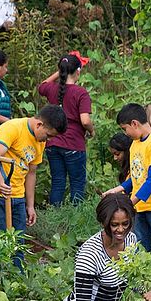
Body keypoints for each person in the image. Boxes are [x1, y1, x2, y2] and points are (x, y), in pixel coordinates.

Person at [0, 106, 68, 267]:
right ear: (39, 125)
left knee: (18, 240)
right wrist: (0, 182)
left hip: (17, 194)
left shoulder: (40, 142)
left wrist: (30, 205)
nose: (47, 140)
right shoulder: (12, 128)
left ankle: (17, 277)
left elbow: (31, 172)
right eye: (48, 135)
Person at [102, 103, 151, 258]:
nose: (125, 133)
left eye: (124, 128)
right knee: (140, 246)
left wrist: (130, 202)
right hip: (140, 206)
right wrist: (118, 189)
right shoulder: (135, 143)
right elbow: (135, 177)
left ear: (134, 123)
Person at [60, 194, 138, 301]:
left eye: (125, 223)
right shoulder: (90, 254)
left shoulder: (131, 240)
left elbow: (134, 279)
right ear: (103, 223)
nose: (121, 230)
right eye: (114, 225)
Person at [38, 54, 95, 206]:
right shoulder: (80, 93)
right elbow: (85, 120)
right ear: (78, 71)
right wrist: (91, 130)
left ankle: (55, 215)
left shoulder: (52, 89)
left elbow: (41, 85)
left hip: (52, 143)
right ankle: (75, 216)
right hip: (73, 144)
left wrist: (60, 71)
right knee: (77, 183)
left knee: (58, 181)